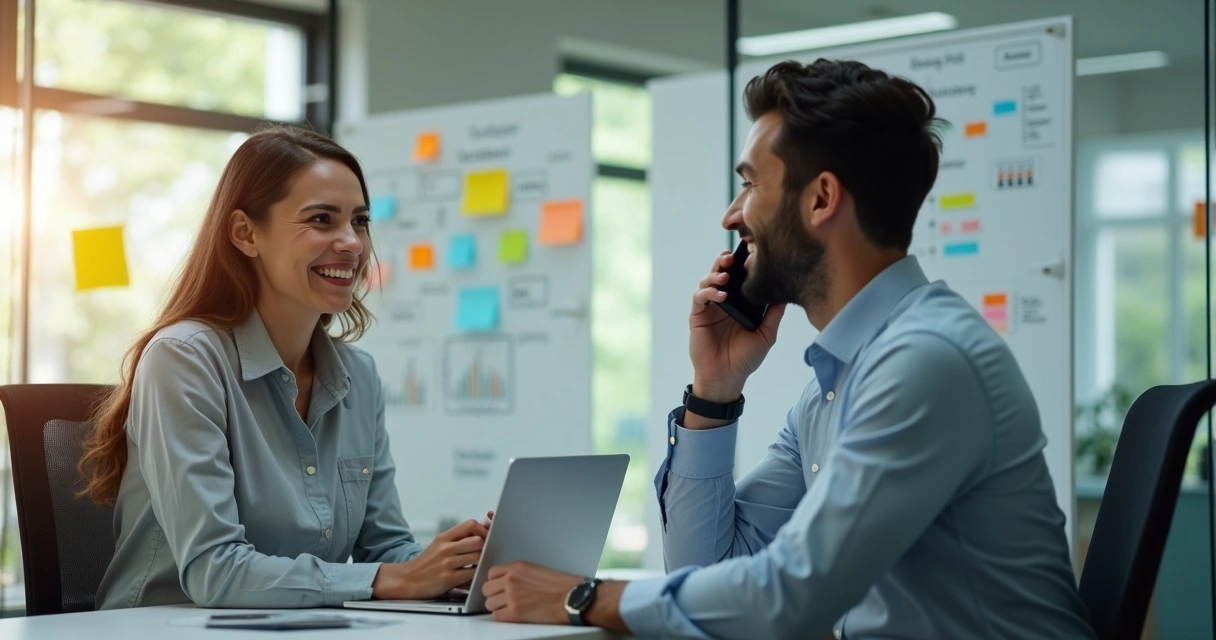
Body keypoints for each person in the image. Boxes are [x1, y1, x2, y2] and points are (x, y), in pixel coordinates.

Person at [479, 59, 1097, 639]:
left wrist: (586, 598)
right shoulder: (836, 383)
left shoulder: (925, 362)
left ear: (821, 199)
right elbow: (707, 564)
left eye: (749, 185)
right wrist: (714, 392)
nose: (731, 215)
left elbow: (793, 595)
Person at [83, 125, 490, 609]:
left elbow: (384, 550)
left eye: (359, 222)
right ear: (246, 233)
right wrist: (390, 578)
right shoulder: (184, 359)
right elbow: (216, 571)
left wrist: (460, 565)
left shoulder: (358, 377)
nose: (353, 244)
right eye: (321, 219)